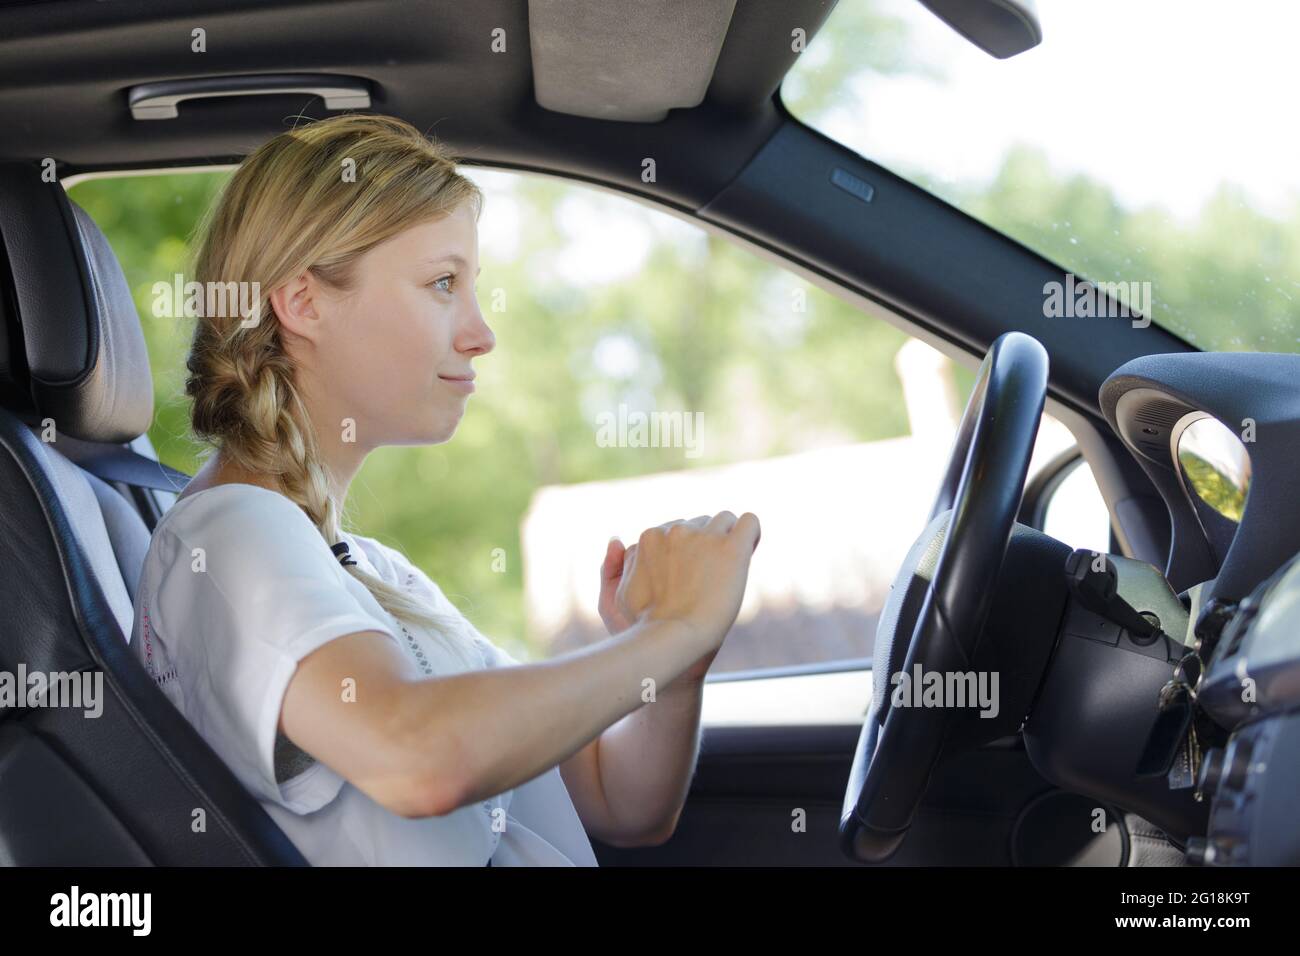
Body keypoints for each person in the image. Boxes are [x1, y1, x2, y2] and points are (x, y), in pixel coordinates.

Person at [128, 113, 761, 866]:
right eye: (441, 284)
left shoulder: (367, 568)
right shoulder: (231, 535)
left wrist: (670, 663)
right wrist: (675, 629)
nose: (481, 332)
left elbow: (621, 802)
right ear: (303, 303)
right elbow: (413, 755)